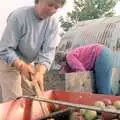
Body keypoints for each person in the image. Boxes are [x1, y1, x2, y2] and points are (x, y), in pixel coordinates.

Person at [0, 0, 66, 102]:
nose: (52, 10)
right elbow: (5, 49)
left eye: (56, 8)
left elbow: (48, 52)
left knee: (32, 97)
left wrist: (40, 72)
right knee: (15, 101)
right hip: (8, 61)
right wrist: (21, 65)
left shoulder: (53, 24)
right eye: (50, 5)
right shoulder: (19, 16)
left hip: (27, 64)